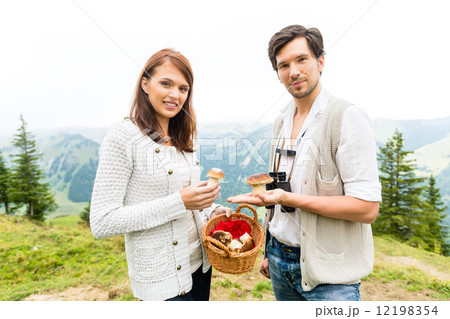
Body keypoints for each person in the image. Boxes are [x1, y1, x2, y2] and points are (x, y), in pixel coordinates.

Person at [228, 25, 381, 301]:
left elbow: (367, 208)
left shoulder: (347, 117)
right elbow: (277, 190)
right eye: (283, 65)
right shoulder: (281, 121)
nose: (293, 71)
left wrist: (291, 198)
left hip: (330, 276)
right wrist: (269, 251)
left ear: (320, 62)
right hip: (277, 262)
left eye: (301, 60)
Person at [90, 48, 231, 301]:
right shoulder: (123, 136)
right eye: (166, 83)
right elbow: (103, 222)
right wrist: (180, 202)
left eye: (183, 88)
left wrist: (212, 211)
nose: (174, 95)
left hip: (200, 267)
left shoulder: (182, 139)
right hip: (160, 281)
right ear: (145, 84)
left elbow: (187, 202)